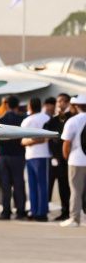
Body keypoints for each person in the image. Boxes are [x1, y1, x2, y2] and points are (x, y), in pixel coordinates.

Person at [0, 95, 27, 220]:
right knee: (19, 183)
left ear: (7, 105)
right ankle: (20, 211)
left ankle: (6, 212)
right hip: (18, 155)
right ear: (17, 105)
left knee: (5, 184)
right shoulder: (23, 119)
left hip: (4, 155)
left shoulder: (1, 120)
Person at [21, 98, 51, 221]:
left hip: (30, 155)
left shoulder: (26, 120)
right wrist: (39, 140)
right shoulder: (46, 118)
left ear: (30, 106)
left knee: (32, 186)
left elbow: (22, 140)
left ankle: (34, 211)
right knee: (42, 185)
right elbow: (47, 137)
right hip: (43, 155)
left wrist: (30, 142)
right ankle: (42, 212)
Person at [61, 94, 86, 228]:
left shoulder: (73, 121)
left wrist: (66, 157)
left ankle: (74, 218)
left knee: (76, 190)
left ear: (76, 106)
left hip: (76, 160)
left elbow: (66, 143)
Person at [46, 94, 73, 220]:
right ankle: (65, 210)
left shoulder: (71, 118)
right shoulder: (55, 119)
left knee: (68, 186)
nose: (59, 103)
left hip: (68, 157)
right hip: (58, 157)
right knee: (63, 186)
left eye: (62, 101)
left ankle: (68, 211)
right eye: (58, 101)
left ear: (67, 103)